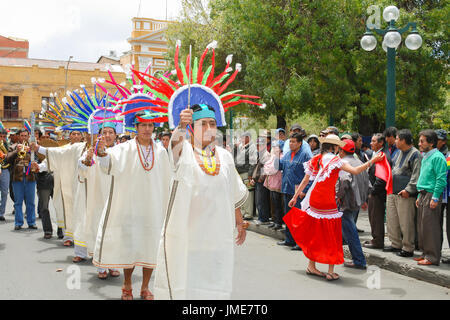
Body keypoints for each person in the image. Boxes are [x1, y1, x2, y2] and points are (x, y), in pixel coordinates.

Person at [153, 104, 248, 300]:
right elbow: (175, 146)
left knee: (215, 280)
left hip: (217, 235)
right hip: (189, 234)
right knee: (188, 281)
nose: (208, 128)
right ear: (191, 128)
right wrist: (180, 125)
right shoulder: (184, 152)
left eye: (212, 123)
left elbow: (232, 191)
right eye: (202, 124)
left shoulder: (225, 156)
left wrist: (240, 221)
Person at [93, 110, 171, 300]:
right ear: (135, 127)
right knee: (130, 247)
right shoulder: (125, 148)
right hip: (130, 207)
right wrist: (102, 151)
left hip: (152, 208)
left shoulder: (160, 151)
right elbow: (107, 161)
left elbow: (167, 178)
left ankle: (145, 287)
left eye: (150, 125)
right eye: (143, 125)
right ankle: (127, 285)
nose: (147, 129)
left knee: (150, 247)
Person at [284, 134, 384, 280]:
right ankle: (330, 271)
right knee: (332, 235)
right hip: (327, 202)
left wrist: (295, 197)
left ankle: (311, 265)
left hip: (315, 200)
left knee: (316, 233)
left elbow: (305, 180)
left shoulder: (317, 158)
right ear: (335, 147)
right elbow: (356, 171)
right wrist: (373, 161)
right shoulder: (336, 160)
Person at [75, 122, 121, 279]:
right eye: (104, 132)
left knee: (115, 232)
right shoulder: (91, 152)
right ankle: (101, 266)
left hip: (116, 197)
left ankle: (114, 264)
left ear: (116, 135)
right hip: (97, 198)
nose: (107, 135)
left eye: (110, 132)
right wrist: (87, 159)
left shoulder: (121, 151)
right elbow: (81, 167)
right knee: (99, 230)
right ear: (99, 135)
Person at [31, 130, 86, 246]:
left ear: (82, 136)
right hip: (65, 184)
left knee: (82, 210)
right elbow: (51, 160)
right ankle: (68, 236)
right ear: (69, 136)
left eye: (78, 134)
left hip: (82, 184)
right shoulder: (63, 148)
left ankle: (82, 238)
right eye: (73, 134)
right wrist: (39, 167)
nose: (76, 136)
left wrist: (38, 148)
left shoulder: (85, 148)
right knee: (66, 209)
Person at [384, 129, 421, 257]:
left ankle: (408, 247)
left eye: (398, 139)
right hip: (392, 191)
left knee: (406, 222)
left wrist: (409, 190)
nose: (396, 141)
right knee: (392, 220)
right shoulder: (398, 152)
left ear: (404, 140)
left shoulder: (416, 154)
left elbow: (417, 175)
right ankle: (395, 244)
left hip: (405, 194)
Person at [415, 129, 447, 266]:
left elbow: (441, 179)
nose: (419, 144)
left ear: (431, 143)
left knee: (431, 227)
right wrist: (418, 195)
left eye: (422, 141)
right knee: (422, 227)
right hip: (422, 194)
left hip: (430, 194)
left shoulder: (438, 157)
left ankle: (433, 257)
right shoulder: (425, 156)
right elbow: (423, 177)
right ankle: (425, 253)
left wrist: (435, 197)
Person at [336, 139, 369, 269]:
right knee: (349, 229)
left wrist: (338, 197)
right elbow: (367, 183)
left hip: (346, 202)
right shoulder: (359, 162)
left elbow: (343, 181)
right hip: (357, 201)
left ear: (341, 151)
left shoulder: (344, 163)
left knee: (350, 231)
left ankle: (359, 260)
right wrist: (364, 199)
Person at [276, 131, 312, 250]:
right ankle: (289, 239)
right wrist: (276, 156)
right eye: (290, 141)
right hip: (287, 189)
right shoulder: (286, 154)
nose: (291, 144)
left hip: (298, 191)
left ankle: (300, 242)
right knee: (288, 216)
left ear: (300, 143)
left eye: (293, 142)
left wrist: (305, 190)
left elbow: (311, 175)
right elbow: (279, 167)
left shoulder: (306, 155)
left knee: (298, 218)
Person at [363, 133, 392, 249]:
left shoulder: (382, 156)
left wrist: (372, 192)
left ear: (381, 143)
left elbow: (381, 178)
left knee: (376, 217)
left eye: (374, 141)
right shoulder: (377, 154)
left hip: (377, 193)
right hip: (374, 192)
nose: (371, 143)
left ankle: (378, 240)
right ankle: (375, 238)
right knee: (373, 216)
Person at [6, 129, 38, 230]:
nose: (24, 137)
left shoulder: (33, 147)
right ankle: (18, 223)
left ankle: (31, 222)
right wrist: (17, 151)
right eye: (22, 136)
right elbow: (7, 159)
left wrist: (33, 151)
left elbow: (39, 158)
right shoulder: (12, 147)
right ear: (19, 137)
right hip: (17, 178)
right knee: (18, 202)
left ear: (28, 137)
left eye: (25, 136)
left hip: (30, 177)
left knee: (31, 202)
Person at [435, 129, 450, 264]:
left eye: (438, 139)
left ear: (443, 141)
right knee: (436, 224)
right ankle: (435, 251)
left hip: (447, 194)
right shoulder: (431, 154)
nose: (435, 141)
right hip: (437, 193)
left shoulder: (448, 156)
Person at [234, 131, 257, 220]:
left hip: (246, 173)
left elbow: (253, 162)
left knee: (248, 193)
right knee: (242, 192)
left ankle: (248, 213)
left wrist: (250, 175)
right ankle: (243, 212)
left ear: (248, 138)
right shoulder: (240, 147)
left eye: (243, 138)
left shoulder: (252, 147)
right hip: (239, 173)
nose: (241, 139)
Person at [250, 136, 271, 225]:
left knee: (262, 200)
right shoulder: (260, 154)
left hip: (262, 181)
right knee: (259, 200)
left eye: (260, 145)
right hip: (258, 180)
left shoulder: (266, 154)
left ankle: (264, 218)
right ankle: (261, 217)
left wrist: (259, 179)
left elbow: (264, 170)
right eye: (257, 145)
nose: (258, 147)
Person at [264, 141, 283, 230]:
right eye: (274, 147)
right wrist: (268, 169)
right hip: (271, 182)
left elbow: (273, 169)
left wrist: (268, 169)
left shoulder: (281, 157)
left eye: (277, 147)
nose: (275, 148)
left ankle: (278, 222)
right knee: (273, 203)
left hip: (277, 183)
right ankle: (274, 220)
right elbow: (266, 167)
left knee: (277, 203)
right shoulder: (273, 157)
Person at [0, 130, 10, 221]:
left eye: (4, 137)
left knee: (4, 192)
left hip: (5, 170)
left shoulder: (8, 146)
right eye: (1, 137)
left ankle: (1, 213)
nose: (2, 139)